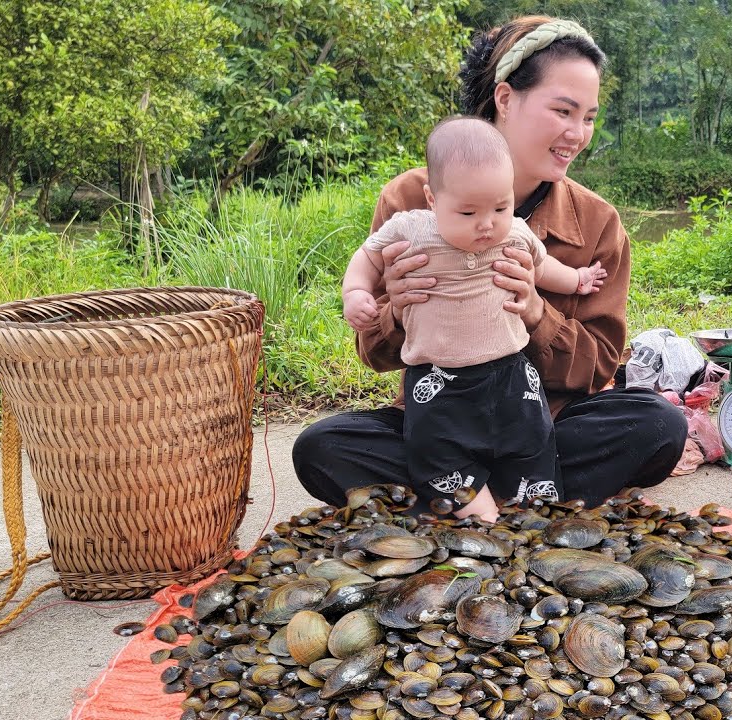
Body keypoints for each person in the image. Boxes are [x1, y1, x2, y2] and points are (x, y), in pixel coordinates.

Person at [293, 16, 688, 519]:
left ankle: (459, 496)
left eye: (589, 117)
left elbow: (599, 369)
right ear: (505, 99)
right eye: (563, 110)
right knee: (322, 446)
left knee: (658, 424)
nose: (577, 133)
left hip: (541, 422)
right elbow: (374, 352)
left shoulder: (598, 223)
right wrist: (394, 308)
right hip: (439, 422)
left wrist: (535, 314)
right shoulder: (412, 201)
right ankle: (511, 495)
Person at [338, 116, 606, 521]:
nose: (486, 224)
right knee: (431, 448)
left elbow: (545, 266)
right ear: (432, 200)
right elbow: (367, 257)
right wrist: (357, 292)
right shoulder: (410, 228)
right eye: (467, 212)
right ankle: (479, 512)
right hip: (437, 381)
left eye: (500, 206)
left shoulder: (514, 232)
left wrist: (579, 280)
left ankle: (531, 506)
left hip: (511, 375)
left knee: (534, 440)